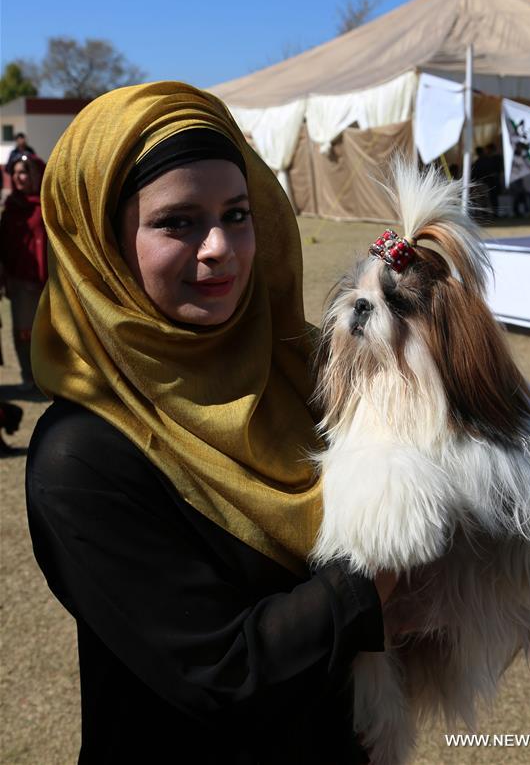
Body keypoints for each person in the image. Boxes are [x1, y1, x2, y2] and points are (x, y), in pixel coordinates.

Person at [25, 82, 412, 765]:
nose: (219, 247)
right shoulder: (81, 456)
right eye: (177, 222)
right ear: (102, 244)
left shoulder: (301, 371)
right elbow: (222, 673)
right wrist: (380, 568)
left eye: (237, 214)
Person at [0, 153, 47, 388]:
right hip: (20, 280)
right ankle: (28, 377)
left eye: (24, 172)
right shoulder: (11, 207)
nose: (19, 177)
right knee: (23, 332)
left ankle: (51, 377)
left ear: (35, 175)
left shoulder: (47, 204)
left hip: (48, 281)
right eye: (16, 172)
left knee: (48, 332)